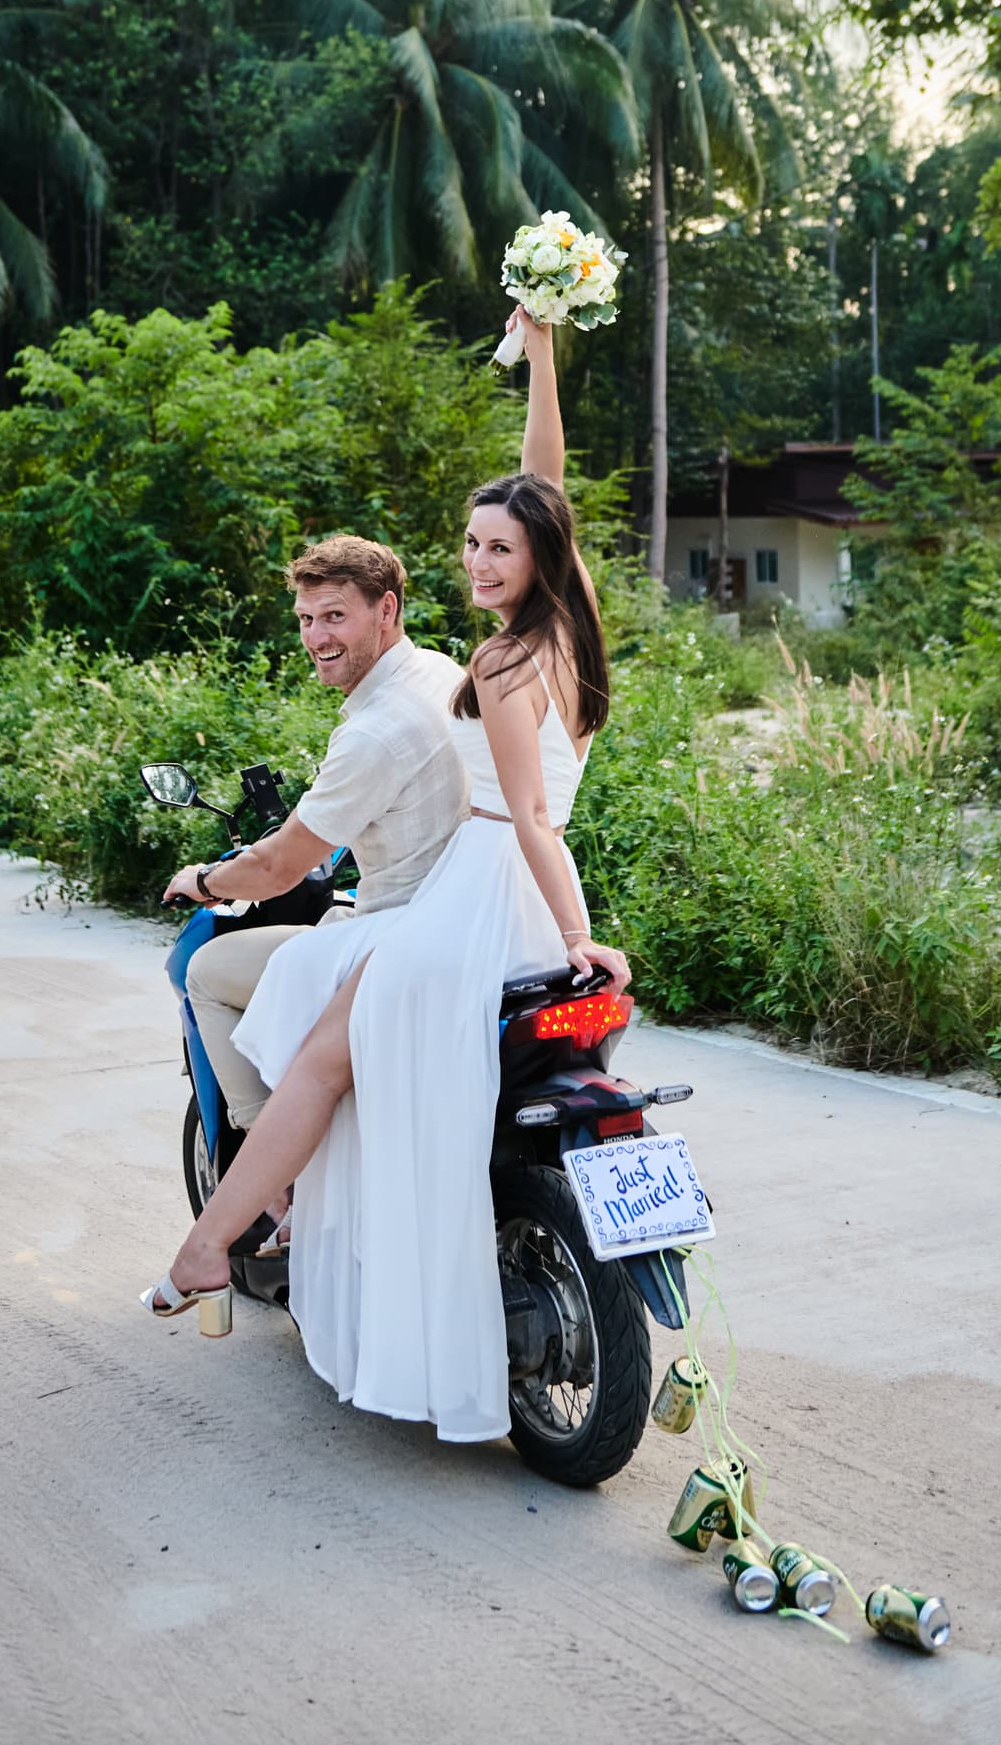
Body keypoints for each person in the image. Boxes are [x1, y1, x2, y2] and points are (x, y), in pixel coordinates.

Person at [143, 309, 630, 1447]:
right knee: (328, 1044)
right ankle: (230, 1238)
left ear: (536, 559)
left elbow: (534, 825)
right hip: (494, 891)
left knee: (317, 1049)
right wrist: (544, 353)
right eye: (469, 544)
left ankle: (216, 1242)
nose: (477, 560)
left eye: (496, 549)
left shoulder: (504, 661)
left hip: (481, 891)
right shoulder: (566, 627)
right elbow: (543, 481)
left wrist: (578, 938)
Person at [166, 534, 468, 1144]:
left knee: (204, 972)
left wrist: (202, 880)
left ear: (386, 610)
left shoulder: (375, 731)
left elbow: (278, 870)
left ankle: (272, 1173)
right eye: (306, 619)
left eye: (334, 616)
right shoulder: (441, 673)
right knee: (329, 917)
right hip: (464, 918)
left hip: (398, 937)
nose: (315, 637)